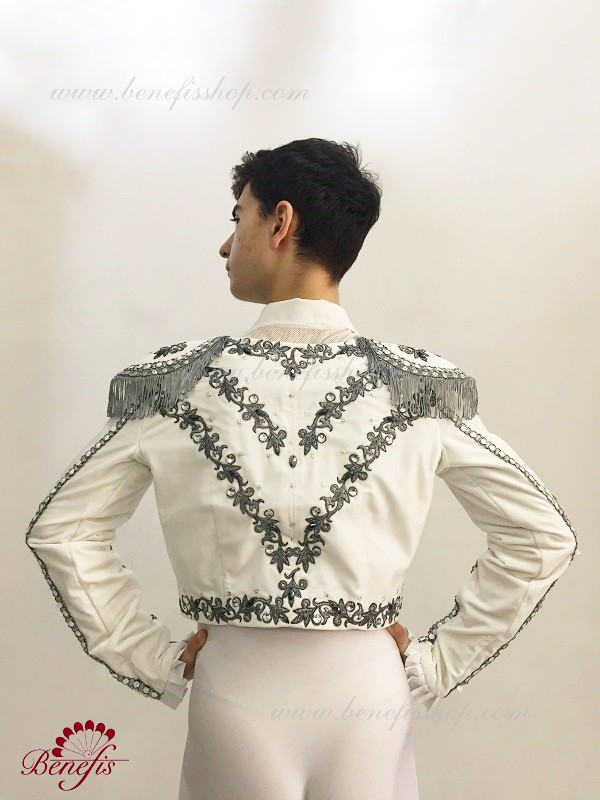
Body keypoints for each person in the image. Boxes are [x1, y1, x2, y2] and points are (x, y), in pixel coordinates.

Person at [26, 138, 579, 800]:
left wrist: (148, 656)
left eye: (238, 217)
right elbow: (542, 536)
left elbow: (62, 530)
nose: (226, 245)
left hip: (236, 692)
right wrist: (438, 662)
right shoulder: (417, 386)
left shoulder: (178, 383)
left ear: (280, 222)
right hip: (369, 691)